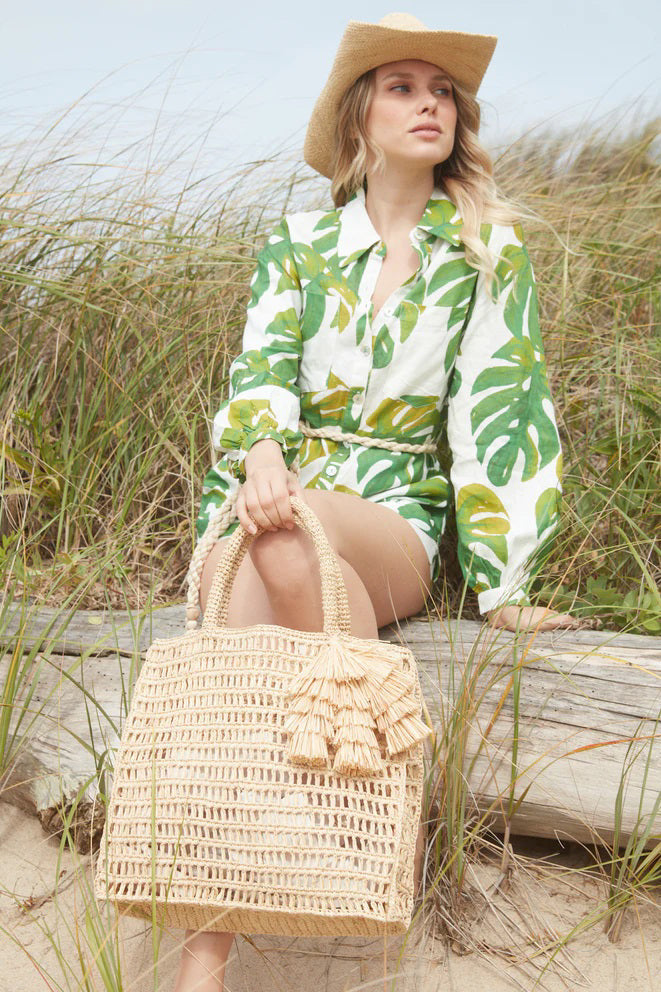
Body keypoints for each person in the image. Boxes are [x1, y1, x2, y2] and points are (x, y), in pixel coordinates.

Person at [174, 13, 583, 991]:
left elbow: (503, 411)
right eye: (400, 87)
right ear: (361, 116)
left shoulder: (486, 253)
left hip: (393, 514)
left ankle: (247, 930)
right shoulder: (300, 242)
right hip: (271, 495)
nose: (427, 102)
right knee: (259, 554)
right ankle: (219, 954)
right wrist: (264, 451)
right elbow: (258, 368)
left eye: (440, 90)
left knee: (285, 529)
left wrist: (503, 581)